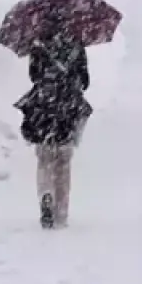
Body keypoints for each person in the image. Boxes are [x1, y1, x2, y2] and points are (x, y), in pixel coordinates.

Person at [14, 22, 91, 229]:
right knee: (63, 164)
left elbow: (34, 76)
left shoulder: (38, 44)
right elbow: (85, 81)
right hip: (67, 110)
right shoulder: (76, 45)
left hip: (43, 111)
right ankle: (61, 211)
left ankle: (45, 194)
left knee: (44, 159)